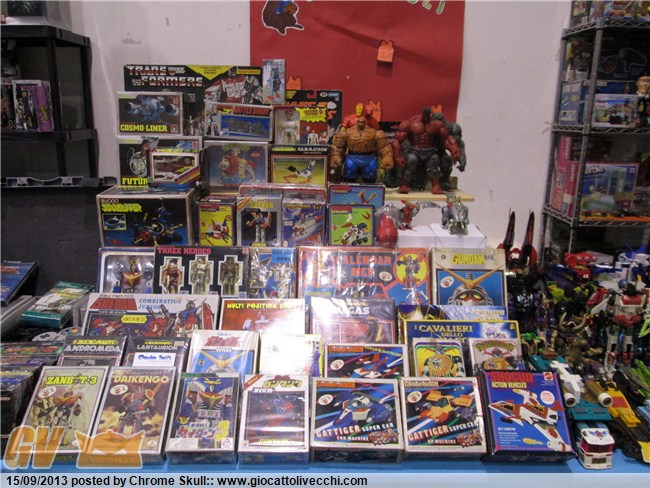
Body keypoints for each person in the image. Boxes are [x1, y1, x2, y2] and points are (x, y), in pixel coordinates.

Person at [392, 107, 464, 194]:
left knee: (434, 161)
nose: (426, 116)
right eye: (425, 114)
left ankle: (436, 186)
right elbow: (397, 140)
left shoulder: (436, 125)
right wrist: (398, 156)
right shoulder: (410, 124)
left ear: (430, 115)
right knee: (411, 160)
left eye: (428, 114)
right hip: (415, 150)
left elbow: (446, 139)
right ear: (422, 113)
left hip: (430, 150)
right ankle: (404, 184)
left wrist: (453, 148)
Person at [330, 104, 393, 183]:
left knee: (370, 176)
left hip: (369, 157)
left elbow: (384, 147)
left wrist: (387, 158)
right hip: (352, 157)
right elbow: (337, 146)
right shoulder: (347, 132)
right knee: (349, 174)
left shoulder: (375, 133)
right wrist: (335, 156)